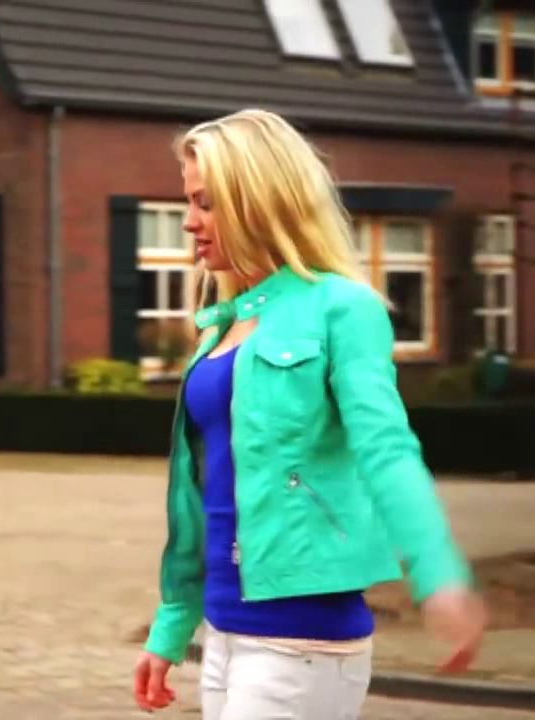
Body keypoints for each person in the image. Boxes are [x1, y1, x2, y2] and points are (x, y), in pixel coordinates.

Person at [131, 108, 487, 719]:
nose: (190, 221)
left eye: (206, 203)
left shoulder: (342, 309)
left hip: (300, 641)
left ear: (259, 200)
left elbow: (387, 449)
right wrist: (172, 626)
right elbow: (203, 492)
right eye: (189, 202)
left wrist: (438, 573)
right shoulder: (221, 326)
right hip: (223, 634)